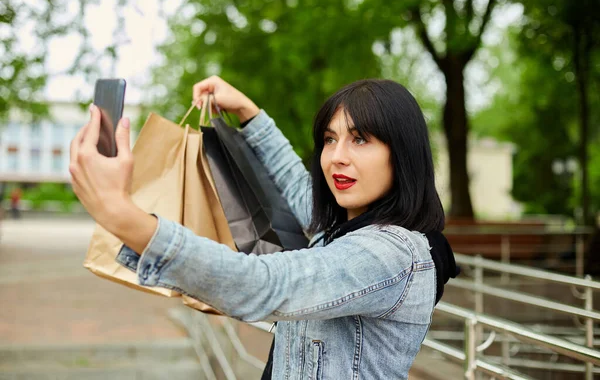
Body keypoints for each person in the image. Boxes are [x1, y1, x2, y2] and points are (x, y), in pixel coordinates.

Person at [69, 76, 458, 379]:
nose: (337, 157)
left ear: (402, 154)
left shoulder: (388, 254)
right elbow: (293, 181)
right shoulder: (340, 227)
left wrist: (123, 215)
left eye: (360, 140)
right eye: (329, 139)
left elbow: (264, 284)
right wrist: (247, 112)